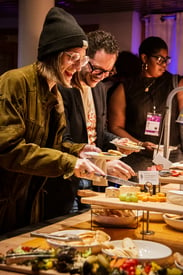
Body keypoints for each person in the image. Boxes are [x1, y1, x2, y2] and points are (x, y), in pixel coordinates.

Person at [0, 7, 105, 234]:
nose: (78, 67)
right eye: (72, 57)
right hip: (5, 200)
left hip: (29, 199)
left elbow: (53, 146)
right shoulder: (15, 82)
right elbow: (9, 149)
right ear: (53, 53)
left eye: (82, 59)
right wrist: (69, 163)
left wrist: (79, 151)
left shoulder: (54, 91)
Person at [55, 30, 136, 211]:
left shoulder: (99, 89)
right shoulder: (62, 88)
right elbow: (61, 140)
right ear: (83, 59)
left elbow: (95, 133)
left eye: (107, 72)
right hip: (67, 181)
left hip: (93, 181)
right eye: (96, 69)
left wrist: (116, 141)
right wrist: (103, 164)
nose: (100, 76)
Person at [107, 36, 183, 177]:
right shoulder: (125, 88)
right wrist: (140, 144)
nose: (164, 64)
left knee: (170, 191)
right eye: (160, 59)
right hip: (138, 157)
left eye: (166, 59)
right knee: (143, 191)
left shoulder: (176, 84)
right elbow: (115, 127)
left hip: (172, 156)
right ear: (144, 58)